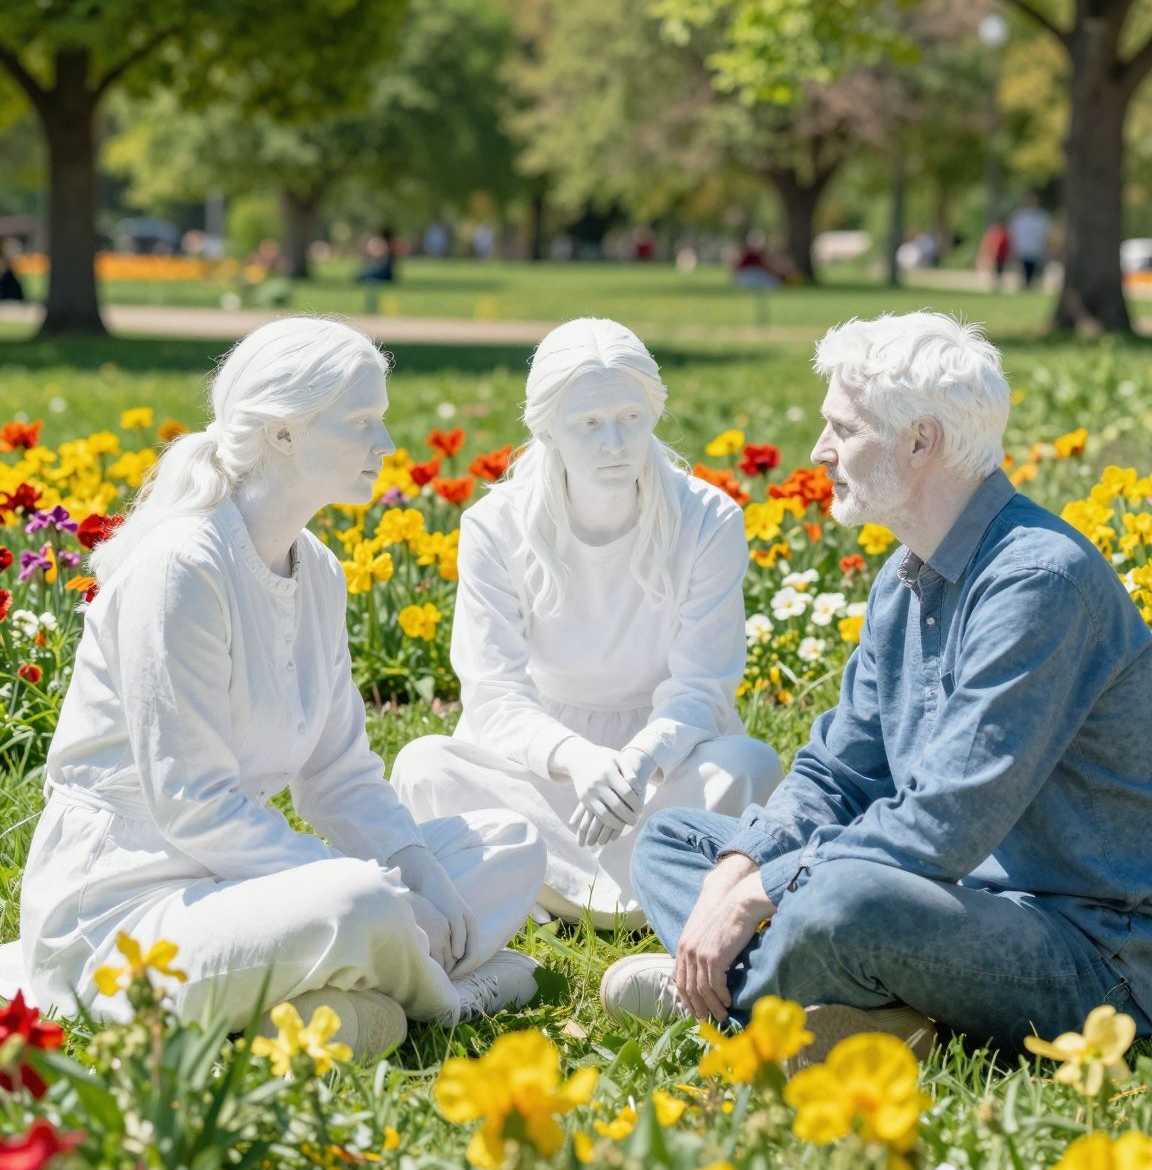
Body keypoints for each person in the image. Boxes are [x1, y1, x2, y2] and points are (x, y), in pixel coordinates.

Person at [600, 310, 1152, 1062]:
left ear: (920, 440)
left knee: (839, 901)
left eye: (843, 430)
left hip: (1086, 950)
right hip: (944, 902)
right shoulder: (909, 574)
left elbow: (942, 827)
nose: (819, 452)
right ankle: (852, 1013)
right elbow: (838, 771)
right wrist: (742, 870)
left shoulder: (1039, 582)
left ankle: (731, 1000)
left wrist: (766, 891)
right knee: (674, 840)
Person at [17, 318, 544, 1054]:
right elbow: (194, 808)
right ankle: (450, 997)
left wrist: (420, 873)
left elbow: (339, 776)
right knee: (360, 901)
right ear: (283, 434)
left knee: (508, 840)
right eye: (361, 421)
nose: (386, 446)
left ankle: (339, 995)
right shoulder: (184, 567)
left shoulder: (317, 569)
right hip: (130, 911)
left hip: (246, 886)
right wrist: (384, 892)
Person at [391, 318, 782, 924]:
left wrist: (638, 761)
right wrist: (576, 758)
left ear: (654, 411)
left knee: (750, 766)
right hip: (540, 765)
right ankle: (651, 889)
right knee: (424, 766)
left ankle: (530, 885)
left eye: (631, 417)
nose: (614, 444)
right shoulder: (496, 526)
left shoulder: (708, 519)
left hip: (663, 766)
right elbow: (493, 693)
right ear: (546, 428)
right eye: (589, 424)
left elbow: (702, 686)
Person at [1008, 193, 1050, 289]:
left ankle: (1029, 285)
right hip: (1022, 248)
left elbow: (1044, 234)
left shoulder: (1042, 217)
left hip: (1035, 249)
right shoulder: (1019, 216)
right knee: (1023, 269)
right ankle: (1025, 285)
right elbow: (1013, 232)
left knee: (1033, 270)